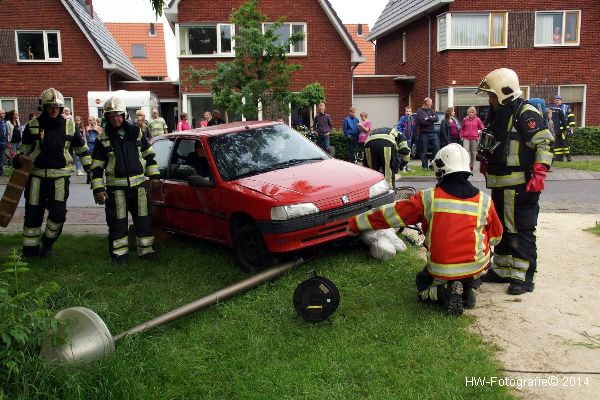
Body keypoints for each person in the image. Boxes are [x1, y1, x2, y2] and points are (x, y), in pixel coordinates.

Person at [349, 144, 502, 315]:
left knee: (422, 282)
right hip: (476, 265)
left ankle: (442, 293)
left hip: (441, 266)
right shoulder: (485, 200)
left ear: (440, 171)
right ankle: (468, 286)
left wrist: (357, 222)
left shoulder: (428, 197)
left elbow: (391, 214)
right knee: (478, 259)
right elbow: (496, 237)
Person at [476, 68, 554, 295]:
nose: (489, 100)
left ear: (504, 92)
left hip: (520, 184)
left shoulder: (525, 112)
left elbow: (544, 143)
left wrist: (540, 172)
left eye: (492, 95)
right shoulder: (499, 113)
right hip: (500, 183)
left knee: (520, 229)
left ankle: (523, 278)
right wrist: (486, 160)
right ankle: (502, 270)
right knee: (500, 228)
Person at [13, 88, 91, 257]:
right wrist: (18, 158)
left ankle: (47, 243)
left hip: (60, 179)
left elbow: (82, 150)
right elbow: (23, 149)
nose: (54, 110)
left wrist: (91, 170)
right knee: (33, 216)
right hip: (36, 178)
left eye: (57, 107)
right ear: (43, 107)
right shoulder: (33, 126)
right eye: (50, 106)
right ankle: (30, 251)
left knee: (58, 215)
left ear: (62, 108)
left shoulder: (70, 127)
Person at [90, 96, 160, 265]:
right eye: (112, 115)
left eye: (118, 115)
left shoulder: (136, 132)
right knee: (118, 223)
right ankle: (119, 256)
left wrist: (154, 177)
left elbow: (149, 156)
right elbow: (97, 167)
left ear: (124, 115)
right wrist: (98, 190)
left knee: (144, 220)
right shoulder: (103, 138)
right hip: (116, 190)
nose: (116, 118)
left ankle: (146, 252)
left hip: (139, 187)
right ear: (107, 117)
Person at [415, 98, 439, 170]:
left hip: (433, 133)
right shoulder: (419, 111)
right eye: (430, 102)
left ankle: (432, 162)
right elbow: (423, 122)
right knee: (423, 150)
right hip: (423, 134)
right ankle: (424, 166)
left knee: (437, 147)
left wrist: (428, 118)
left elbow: (437, 118)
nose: (432, 104)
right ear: (426, 102)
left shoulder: (431, 110)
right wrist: (431, 119)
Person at [549, 95, 574, 162]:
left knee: (565, 143)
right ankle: (559, 158)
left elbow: (571, 116)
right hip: (557, 129)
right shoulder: (554, 108)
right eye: (556, 100)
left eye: (558, 100)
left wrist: (571, 126)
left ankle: (568, 157)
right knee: (557, 144)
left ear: (561, 101)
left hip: (564, 129)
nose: (557, 102)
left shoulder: (566, 107)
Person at [461, 106, 484, 171]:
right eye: (470, 112)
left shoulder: (477, 119)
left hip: (474, 138)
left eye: (472, 112)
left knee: (473, 152)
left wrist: (480, 133)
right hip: (466, 138)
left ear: (475, 113)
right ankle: (467, 164)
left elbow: (482, 127)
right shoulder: (465, 119)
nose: (471, 113)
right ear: (468, 113)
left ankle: (472, 164)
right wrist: (462, 136)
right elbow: (462, 128)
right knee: (466, 150)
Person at [0, 109, 7, 175]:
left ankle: (1, 172)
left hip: (3, 143)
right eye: (3, 113)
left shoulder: (4, 122)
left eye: (4, 113)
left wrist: (7, 142)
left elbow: (6, 133)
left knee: (2, 157)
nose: (4, 114)